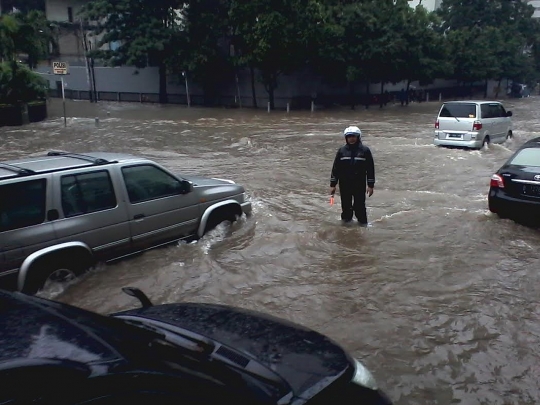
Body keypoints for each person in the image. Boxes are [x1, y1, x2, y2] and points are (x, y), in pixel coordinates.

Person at [330, 126, 375, 226]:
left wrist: (370, 185)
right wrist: (333, 184)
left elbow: (370, 169)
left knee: (359, 206)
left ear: (358, 137)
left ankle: (363, 225)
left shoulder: (365, 151)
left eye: (353, 136)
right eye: (349, 136)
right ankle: (346, 226)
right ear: (346, 138)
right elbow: (336, 168)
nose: (351, 138)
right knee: (346, 206)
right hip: (344, 183)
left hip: (359, 183)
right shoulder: (341, 151)